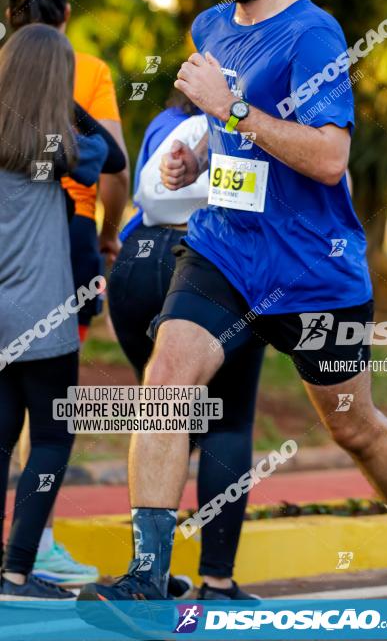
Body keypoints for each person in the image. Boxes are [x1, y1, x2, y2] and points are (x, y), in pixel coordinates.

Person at [79, 0, 387, 616]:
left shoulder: (314, 33)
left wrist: (233, 109)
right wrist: (204, 161)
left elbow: (326, 159)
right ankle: (147, 580)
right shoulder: (210, 27)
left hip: (314, 272)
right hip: (225, 250)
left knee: (351, 425)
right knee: (165, 383)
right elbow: (239, 144)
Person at [107, 90, 264, 600]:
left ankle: (150, 573)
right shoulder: (244, 125)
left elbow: (145, 192)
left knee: (166, 410)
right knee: (228, 419)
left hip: (135, 262)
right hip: (210, 262)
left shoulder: (164, 124)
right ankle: (216, 580)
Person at [6, 0, 129, 588]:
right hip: (48, 301)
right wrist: (65, 99)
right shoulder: (58, 145)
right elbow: (111, 159)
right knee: (52, 435)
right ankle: (22, 566)